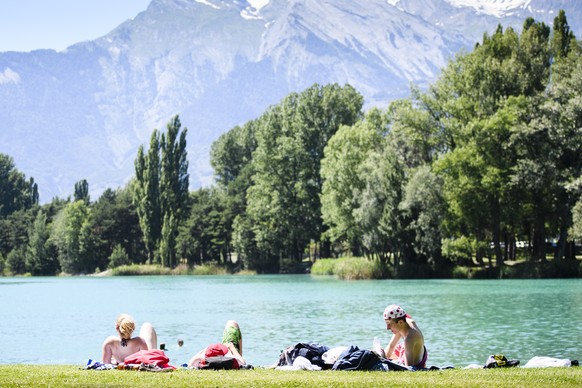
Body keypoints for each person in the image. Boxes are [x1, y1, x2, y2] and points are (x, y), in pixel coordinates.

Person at [382, 304, 427, 369]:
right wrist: (383, 358)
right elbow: (391, 346)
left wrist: (384, 360)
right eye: (386, 324)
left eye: (389, 324)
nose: (387, 328)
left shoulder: (410, 337)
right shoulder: (402, 324)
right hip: (408, 350)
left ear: (400, 322)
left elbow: (408, 368)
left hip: (414, 363)